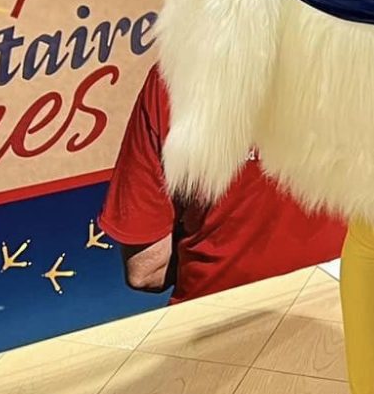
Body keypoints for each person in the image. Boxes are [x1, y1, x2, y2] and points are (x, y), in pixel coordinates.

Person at [99, 67, 347, 304]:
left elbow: (147, 268)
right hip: (341, 309)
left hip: (216, 317)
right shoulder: (360, 65)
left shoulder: (174, 77)